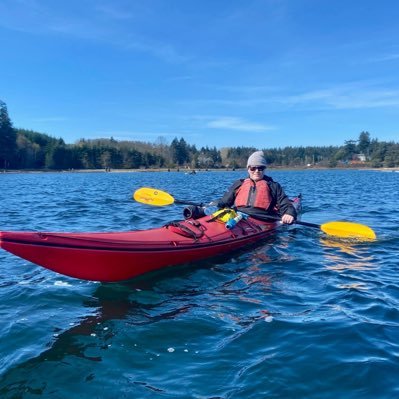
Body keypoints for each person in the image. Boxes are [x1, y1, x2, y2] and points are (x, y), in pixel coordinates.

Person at [214, 150, 296, 224]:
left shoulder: (274, 186)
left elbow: (285, 204)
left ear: (264, 169)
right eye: (253, 168)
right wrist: (212, 206)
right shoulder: (239, 183)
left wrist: (289, 213)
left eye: (260, 168)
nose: (256, 171)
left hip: (263, 219)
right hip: (239, 218)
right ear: (248, 169)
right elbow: (224, 202)